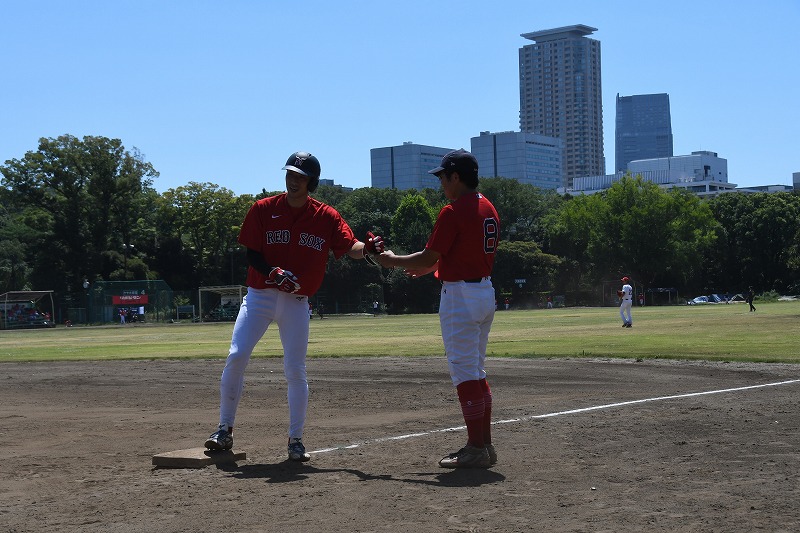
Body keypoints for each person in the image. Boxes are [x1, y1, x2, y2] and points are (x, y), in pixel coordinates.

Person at [204, 151, 384, 462]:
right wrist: (272, 271)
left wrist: (367, 248)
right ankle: (224, 429)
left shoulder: (326, 216)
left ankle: (296, 439)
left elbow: (349, 246)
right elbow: (252, 254)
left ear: (311, 182)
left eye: (300, 176)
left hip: (297, 301)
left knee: (295, 370)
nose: (293, 180)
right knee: (237, 355)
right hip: (260, 294)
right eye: (289, 174)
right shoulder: (263, 209)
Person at [377, 149, 500, 469]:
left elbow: (429, 255)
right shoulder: (488, 207)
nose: (441, 183)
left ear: (456, 177)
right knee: (476, 371)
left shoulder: (453, 211)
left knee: (465, 374)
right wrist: (431, 268)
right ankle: (484, 445)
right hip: (484, 291)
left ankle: (476, 447)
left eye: (444, 177)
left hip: (461, 297)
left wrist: (392, 260)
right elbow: (457, 253)